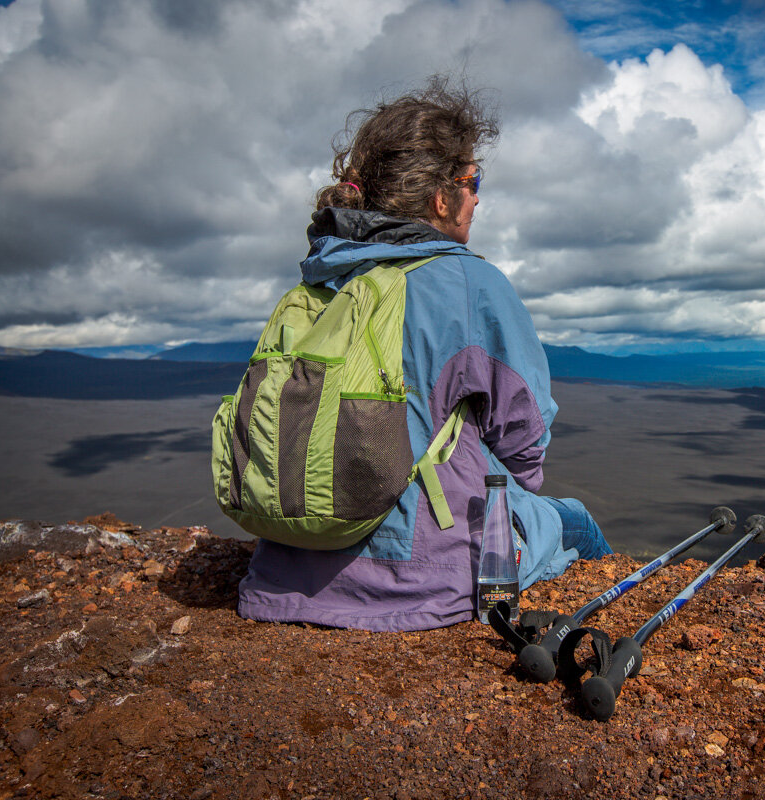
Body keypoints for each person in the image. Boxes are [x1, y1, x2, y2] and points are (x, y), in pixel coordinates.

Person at [237, 80, 612, 632]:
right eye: (472, 181)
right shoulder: (469, 282)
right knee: (573, 520)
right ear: (441, 198)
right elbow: (524, 432)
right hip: (419, 580)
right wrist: (506, 511)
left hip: (282, 567)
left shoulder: (317, 283)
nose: (478, 196)